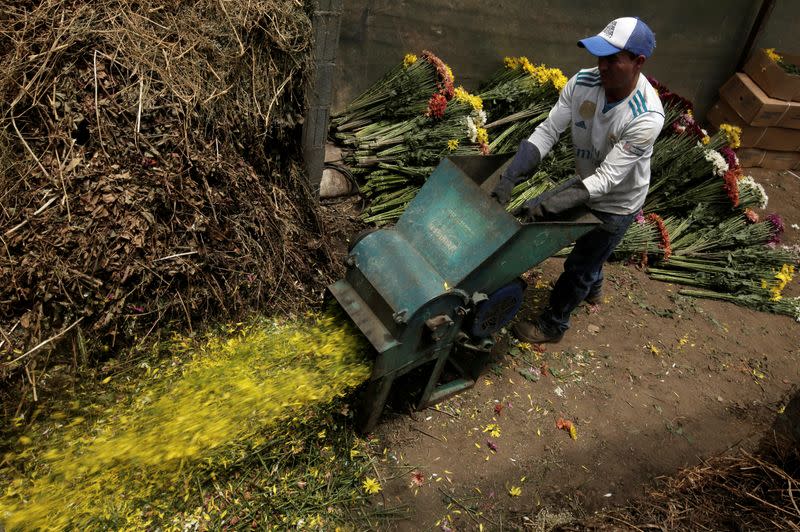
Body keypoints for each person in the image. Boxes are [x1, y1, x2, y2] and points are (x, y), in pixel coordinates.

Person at [491, 17, 665, 343]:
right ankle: (595, 281)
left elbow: (609, 179)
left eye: (613, 59)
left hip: (616, 203)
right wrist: (511, 174)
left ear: (638, 62)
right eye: (599, 56)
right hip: (587, 182)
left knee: (578, 267)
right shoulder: (583, 83)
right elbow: (548, 131)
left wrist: (551, 205)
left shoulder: (645, 115)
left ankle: (552, 326)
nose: (602, 66)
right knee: (546, 219)